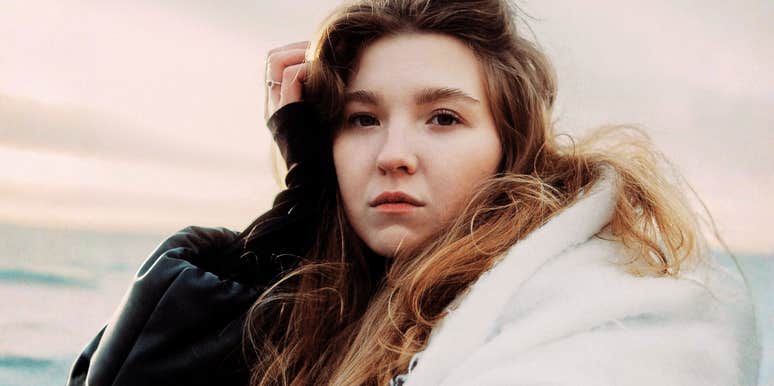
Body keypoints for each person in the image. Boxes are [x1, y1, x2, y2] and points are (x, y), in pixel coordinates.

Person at [67, 0, 762, 385]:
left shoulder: (605, 317)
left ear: (510, 143)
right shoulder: (347, 308)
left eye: (444, 118)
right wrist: (300, 217)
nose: (393, 155)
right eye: (361, 120)